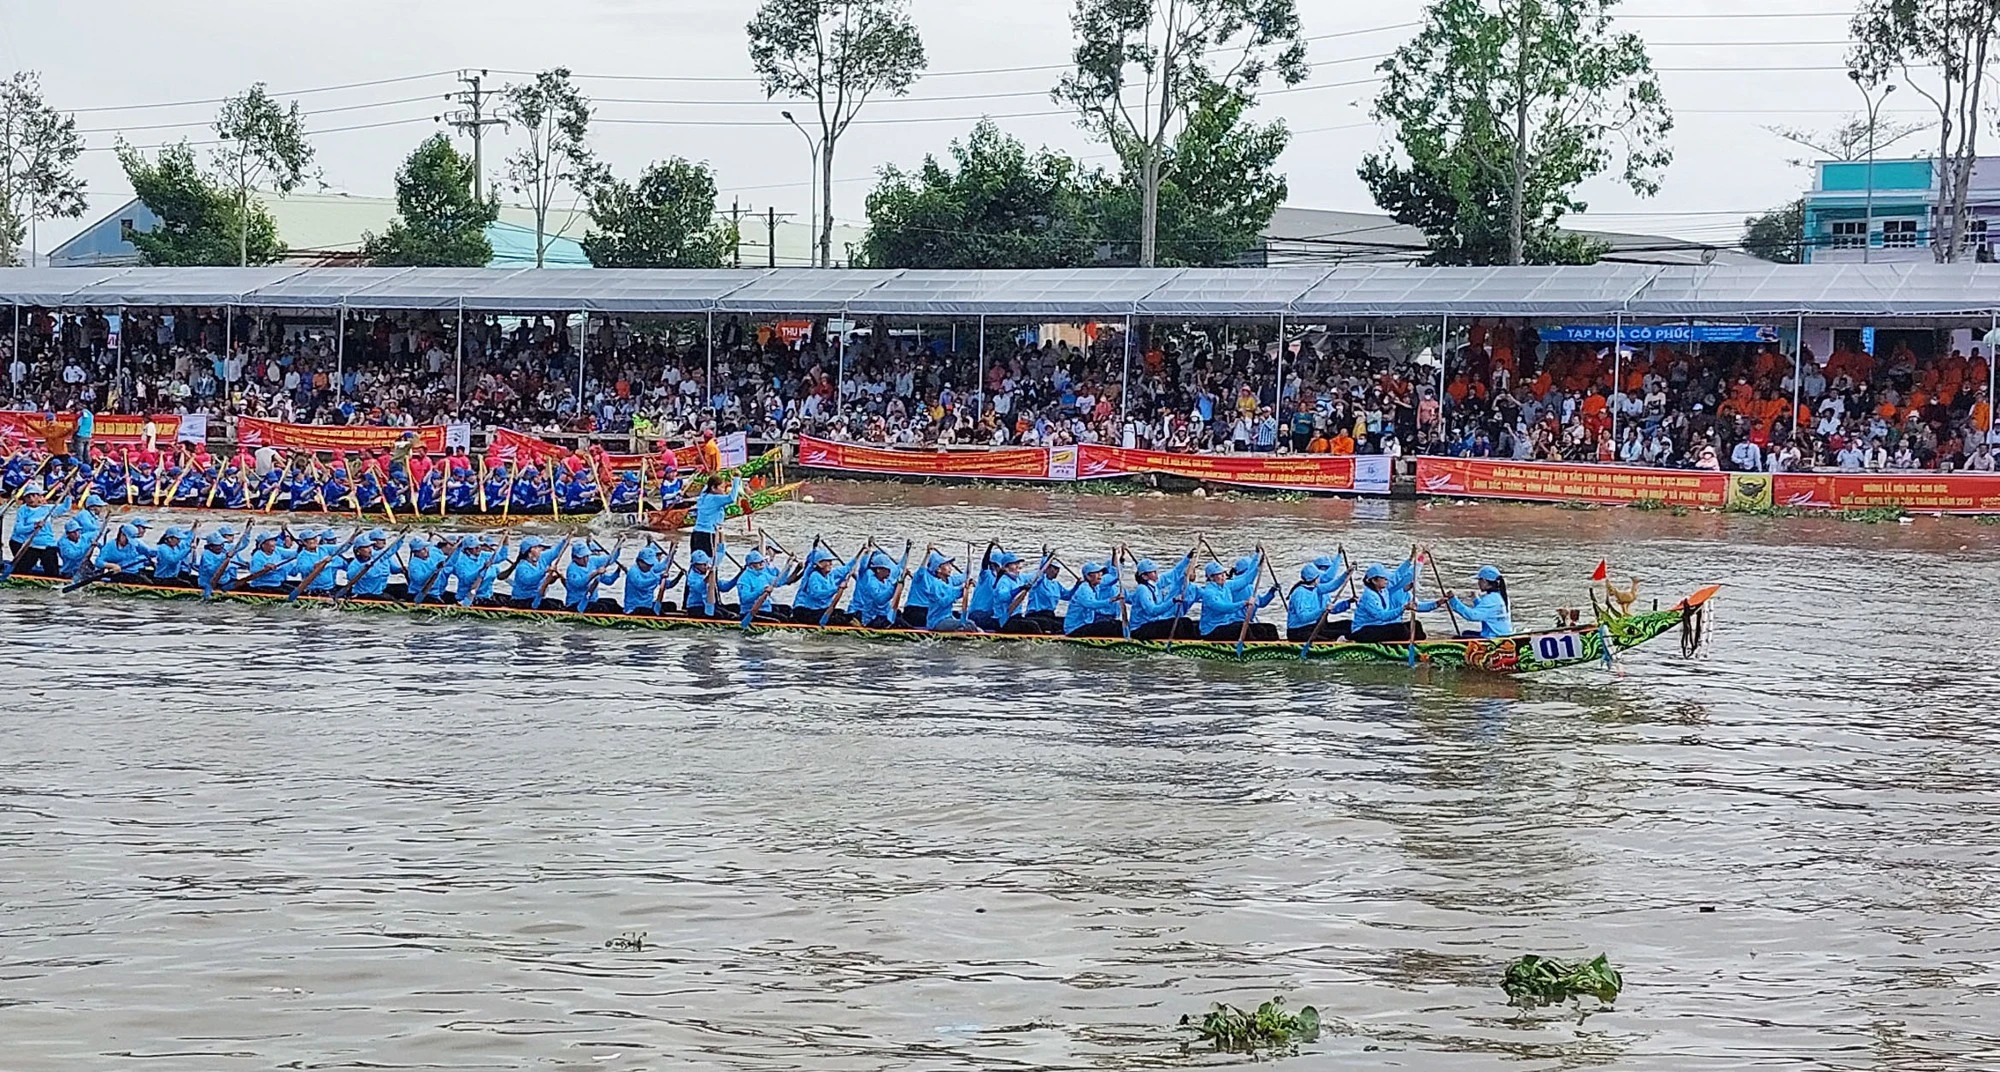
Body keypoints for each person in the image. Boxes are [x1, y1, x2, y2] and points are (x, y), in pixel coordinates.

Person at [1349, 560, 1438, 644]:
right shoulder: (1369, 596)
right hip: (1363, 630)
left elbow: (1398, 575)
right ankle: (1348, 638)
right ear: (1374, 581)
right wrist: (1403, 608)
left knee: (1416, 625)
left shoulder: (1385, 591)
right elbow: (1382, 616)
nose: (1386, 580)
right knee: (1400, 629)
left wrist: (1438, 603)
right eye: (1383, 578)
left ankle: (1418, 647)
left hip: (1380, 626)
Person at [794, 543, 861, 625]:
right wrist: (836, 589)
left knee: (844, 613)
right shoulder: (814, 576)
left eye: (831, 561)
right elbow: (817, 594)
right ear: (819, 564)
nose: (831, 563)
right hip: (809, 611)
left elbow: (847, 568)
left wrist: (861, 552)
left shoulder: (831, 574)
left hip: (822, 610)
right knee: (838, 619)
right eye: (828, 561)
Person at [1445, 566, 1514, 639]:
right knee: (1466, 633)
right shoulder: (1501, 596)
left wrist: (1454, 601)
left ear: (1484, 581)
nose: (1478, 583)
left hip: (1494, 637)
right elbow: (1488, 612)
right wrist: (1476, 599)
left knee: (1456, 638)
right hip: (1503, 634)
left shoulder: (1490, 599)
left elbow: (1472, 616)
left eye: (1479, 580)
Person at [1061, 561, 1126, 638]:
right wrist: (1112, 599)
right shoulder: (1083, 589)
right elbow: (1091, 604)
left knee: (1118, 624)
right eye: (1097, 573)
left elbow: (1115, 576)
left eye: (1101, 572)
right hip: (1074, 629)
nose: (1100, 575)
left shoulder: (1096, 587)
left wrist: (1119, 557)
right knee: (1112, 626)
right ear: (1088, 576)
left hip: (1086, 625)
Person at [689, 474, 742, 556]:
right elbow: (732, 498)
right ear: (713, 488)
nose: (724, 490)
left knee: (696, 560)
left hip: (696, 533)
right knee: (709, 561)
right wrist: (736, 480)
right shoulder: (715, 498)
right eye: (721, 487)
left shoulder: (703, 495)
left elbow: (708, 485)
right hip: (707, 534)